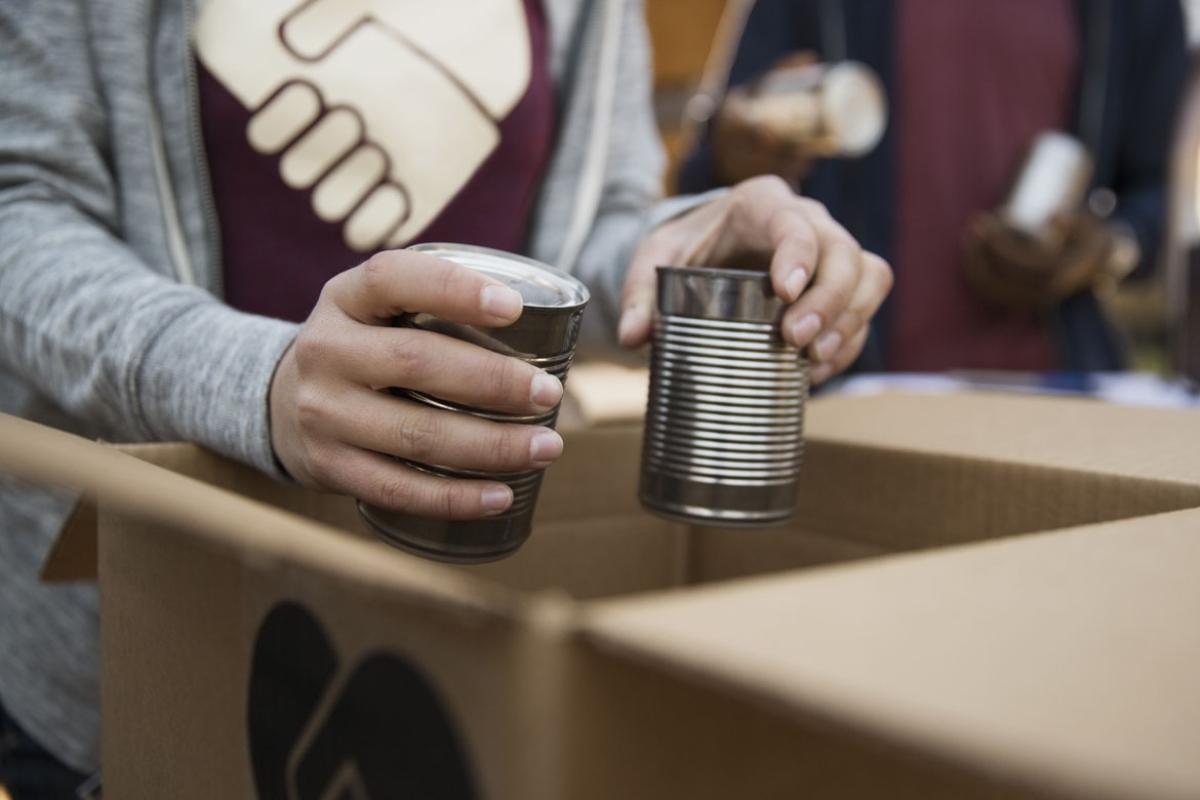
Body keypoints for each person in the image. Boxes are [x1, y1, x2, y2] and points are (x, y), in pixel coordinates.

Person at [0, 0, 891, 795]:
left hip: (450, 621)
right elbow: (19, 207)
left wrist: (698, 244)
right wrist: (260, 380)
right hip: (138, 613)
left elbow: (582, 245)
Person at [680, 0, 1188, 373]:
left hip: (1055, 390)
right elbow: (704, 180)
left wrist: (1104, 252)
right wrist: (738, 147)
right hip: (855, 388)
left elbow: (1154, 200)